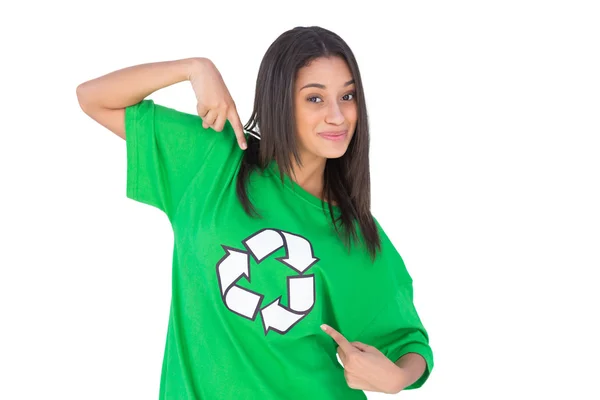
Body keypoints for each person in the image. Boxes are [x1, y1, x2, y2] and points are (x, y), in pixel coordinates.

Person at [76, 25, 434, 399]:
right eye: (315, 99)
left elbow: (409, 343)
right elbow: (93, 98)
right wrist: (194, 68)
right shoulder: (212, 161)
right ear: (279, 100)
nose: (338, 116)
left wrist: (396, 378)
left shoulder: (355, 235)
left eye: (347, 96)